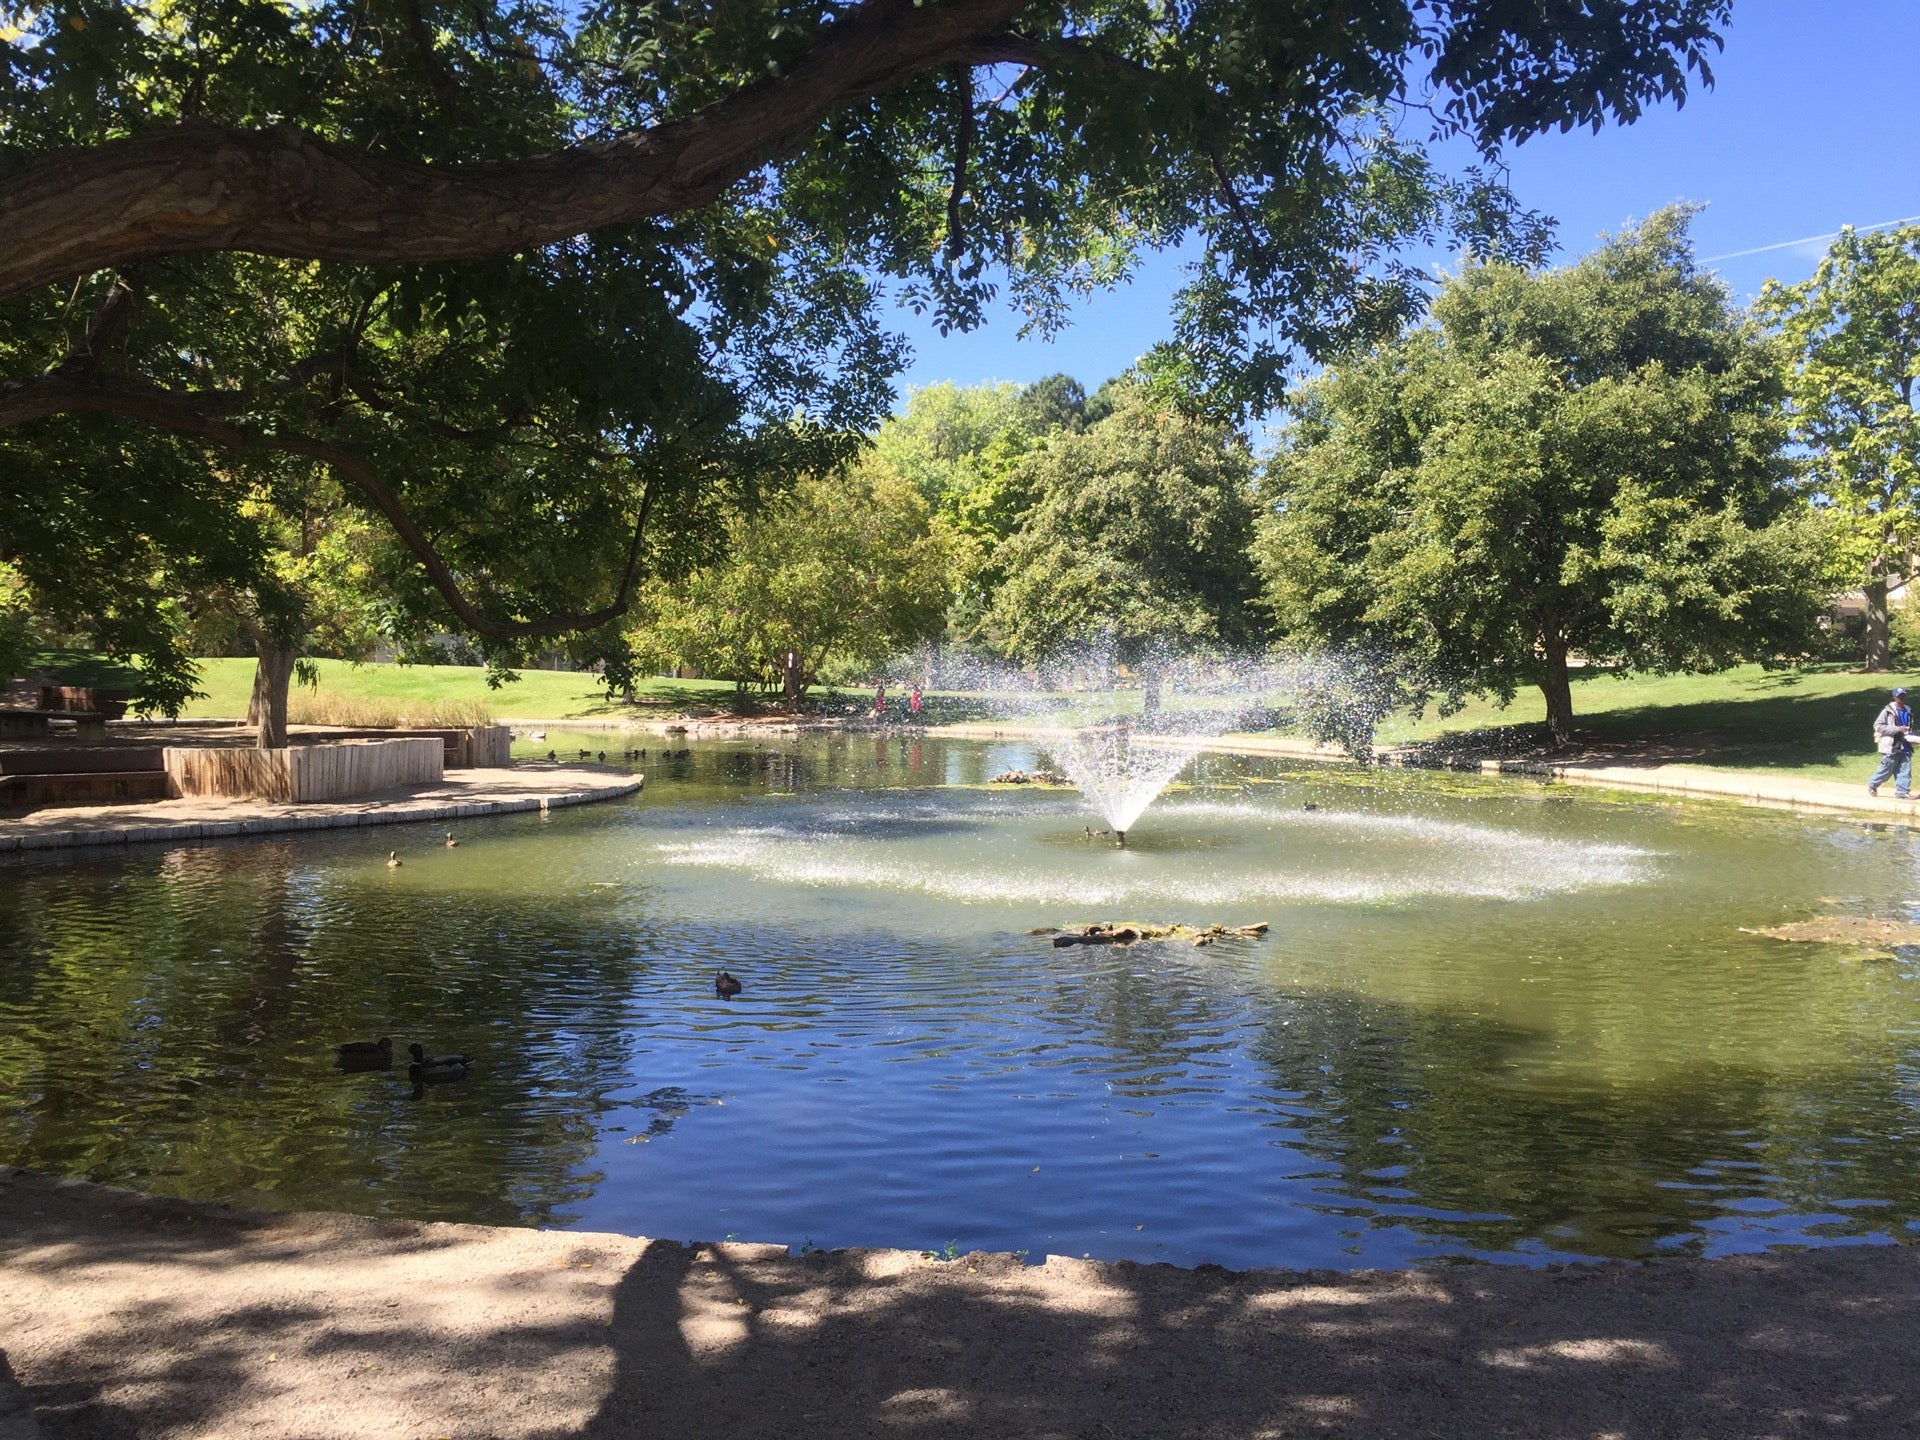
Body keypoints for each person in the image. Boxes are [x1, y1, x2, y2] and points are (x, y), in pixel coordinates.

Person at [1868, 686, 1913, 798]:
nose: (1901, 698)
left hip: (1905, 744)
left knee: (1905, 768)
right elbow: (1878, 726)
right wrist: (1897, 729)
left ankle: (1902, 792)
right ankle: (1873, 784)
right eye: (1899, 696)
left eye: (1903, 696)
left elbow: (1909, 726)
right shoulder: (1887, 711)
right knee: (1887, 768)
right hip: (1890, 745)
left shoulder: (1909, 710)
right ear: (1894, 697)